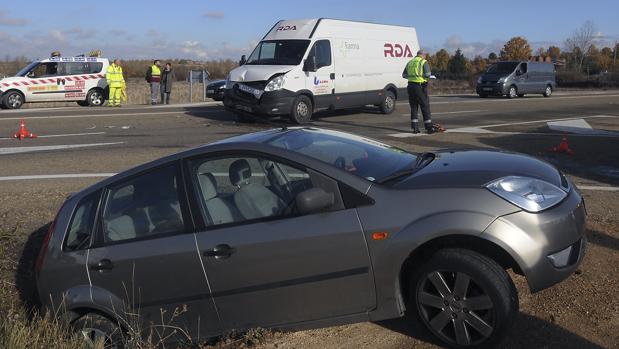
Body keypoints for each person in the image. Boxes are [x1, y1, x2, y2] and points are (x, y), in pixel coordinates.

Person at [403, 50, 436, 134]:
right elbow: (428, 74)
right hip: (420, 86)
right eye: (425, 55)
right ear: (423, 55)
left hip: (410, 86)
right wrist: (423, 77)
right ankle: (429, 127)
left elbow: (404, 75)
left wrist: (413, 77)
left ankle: (415, 128)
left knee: (414, 107)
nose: (425, 57)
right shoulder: (423, 62)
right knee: (425, 106)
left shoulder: (410, 62)